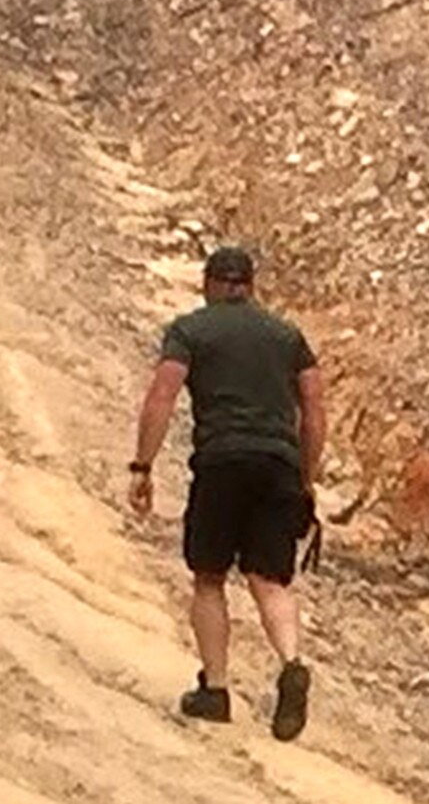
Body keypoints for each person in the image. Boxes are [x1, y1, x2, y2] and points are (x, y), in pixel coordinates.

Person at [128, 246, 326, 741]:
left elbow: (163, 395)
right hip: (278, 464)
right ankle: (291, 662)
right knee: (269, 579)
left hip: (221, 462)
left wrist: (143, 465)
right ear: (251, 286)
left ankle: (215, 690)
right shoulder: (288, 336)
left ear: (209, 283)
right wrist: (305, 478)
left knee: (210, 577)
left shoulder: (191, 330)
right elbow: (314, 409)